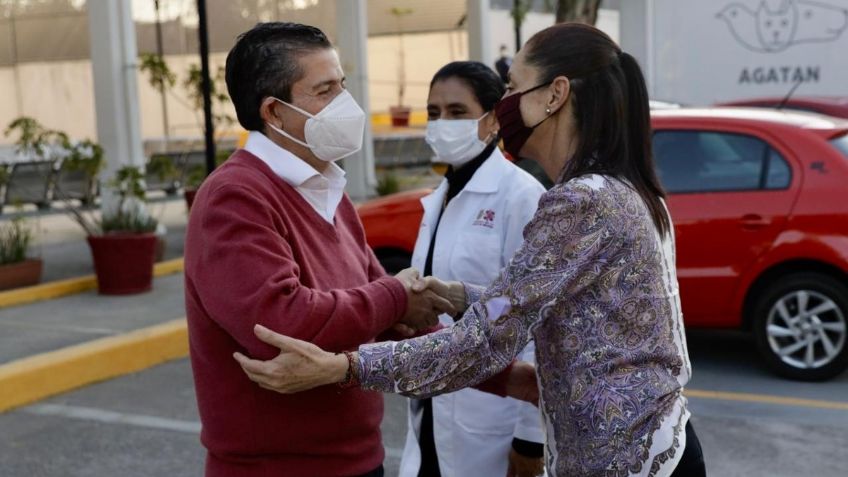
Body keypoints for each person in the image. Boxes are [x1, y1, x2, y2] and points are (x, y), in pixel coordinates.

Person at [234, 23, 707, 477]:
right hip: (643, 450)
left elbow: (485, 339)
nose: (504, 105)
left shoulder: (582, 200)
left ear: (554, 95)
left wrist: (344, 368)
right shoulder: (615, 188)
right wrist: (459, 296)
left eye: (512, 87)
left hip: (627, 460)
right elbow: (558, 303)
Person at [184, 22, 456, 477]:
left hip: (359, 461)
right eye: (325, 90)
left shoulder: (328, 190)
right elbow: (282, 321)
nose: (346, 104)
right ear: (274, 111)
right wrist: (395, 296)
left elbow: (392, 323)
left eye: (342, 86)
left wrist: (506, 378)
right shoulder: (235, 197)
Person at [404, 61, 546, 477]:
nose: (442, 123)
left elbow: (537, 320)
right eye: (433, 113)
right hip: (433, 409)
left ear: (492, 119)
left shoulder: (521, 196)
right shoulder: (439, 200)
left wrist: (529, 438)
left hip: (494, 420)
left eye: (456, 112)